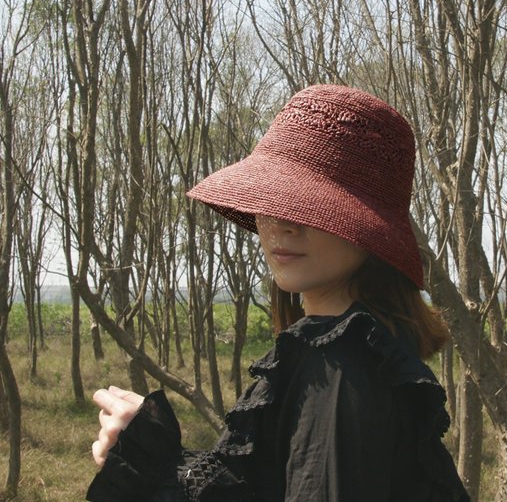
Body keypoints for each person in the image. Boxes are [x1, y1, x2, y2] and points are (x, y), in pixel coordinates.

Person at [87, 84, 469, 502]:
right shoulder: (353, 353)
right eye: (275, 200)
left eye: (310, 205)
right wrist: (150, 456)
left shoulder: (340, 367)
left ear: (369, 227)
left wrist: (154, 465)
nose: (283, 224)